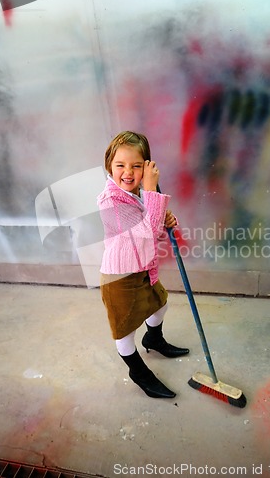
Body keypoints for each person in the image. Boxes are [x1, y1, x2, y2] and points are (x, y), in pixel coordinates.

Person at [97, 131, 189, 398]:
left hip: (142, 269)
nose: (128, 172)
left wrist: (164, 218)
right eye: (120, 165)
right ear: (109, 166)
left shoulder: (136, 193)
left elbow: (153, 229)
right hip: (119, 277)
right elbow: (146, 233)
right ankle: (138, 371)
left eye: (137, 166)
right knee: (125, 330)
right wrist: (151, 191)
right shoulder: (111, 200)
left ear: (147, 166)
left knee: (160, 304)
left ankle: (154, 339)